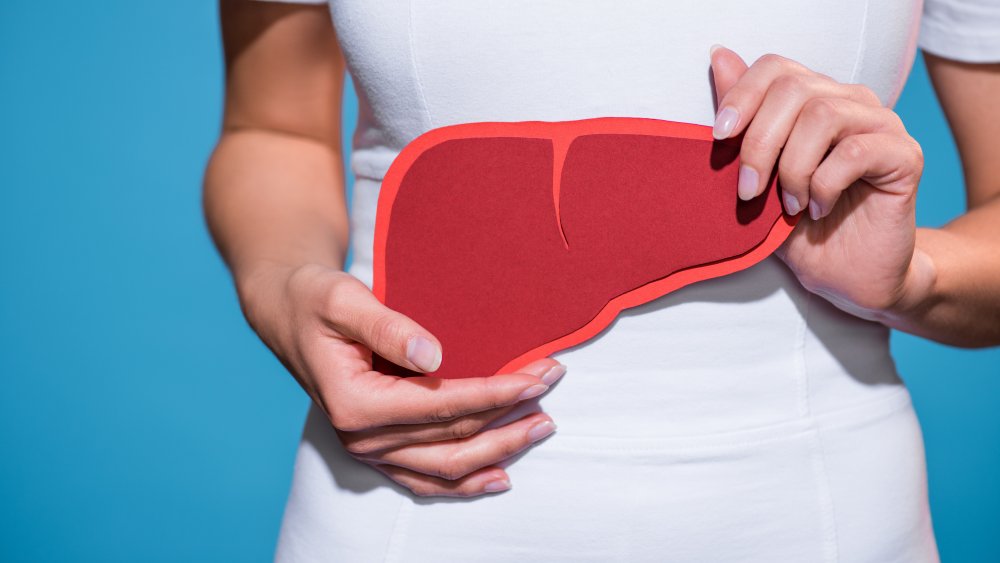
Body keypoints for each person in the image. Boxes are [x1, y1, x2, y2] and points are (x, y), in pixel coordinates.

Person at [203, 0, 1000, 560]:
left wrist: (912, 278)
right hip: (408, 504)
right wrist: (280, 287)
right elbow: (272, 127)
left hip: (821, 514)